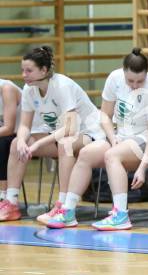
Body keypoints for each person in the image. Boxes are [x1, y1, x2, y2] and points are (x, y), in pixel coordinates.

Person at [45, 48, 148, 231]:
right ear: (124, 72)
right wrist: (112, 136)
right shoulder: (114, 79)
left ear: (147, 74)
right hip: (124, 136)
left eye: (140, 80)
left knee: (112, 156)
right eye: (131, 81)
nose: (135, 85)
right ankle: (68, 211)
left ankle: (121, 215)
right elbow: (105, 115)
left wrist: (142, 167)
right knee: (85, 154)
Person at [0, 46, 105, 223]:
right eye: (22, 70)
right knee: (15, 144)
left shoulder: (62, 85)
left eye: (29, 70)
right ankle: (11, 203)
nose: (24, 75)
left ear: (44, 70)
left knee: (66, 144)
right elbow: (25, 124)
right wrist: (22, 140)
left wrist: (37, 144)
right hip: (58, 135)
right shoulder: (28, 89)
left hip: (89, 133)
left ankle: (63, 206)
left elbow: (70, 129)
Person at [0, 79, 22, 201]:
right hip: (10, 133)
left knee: (3, 142)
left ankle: (3, 195)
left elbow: (8, 128)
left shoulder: (7, 89)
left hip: (26, 134)